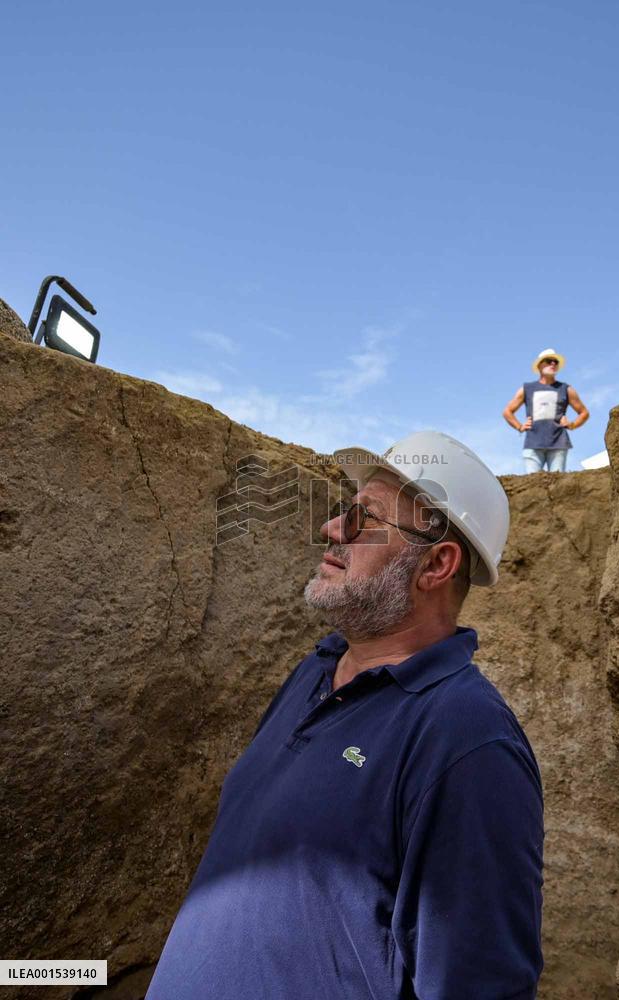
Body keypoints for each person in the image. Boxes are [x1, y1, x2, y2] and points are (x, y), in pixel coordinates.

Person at [146, 431, 544, 1000]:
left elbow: (482, 985)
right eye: (342, 512)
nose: (333, 529)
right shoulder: (317, 669)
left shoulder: (469, 742)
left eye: (364, 519)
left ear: (436, 564)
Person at [503, 348, 590, 473]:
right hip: (533, 444)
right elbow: (507, 411)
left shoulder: (566, 389)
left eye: (555, 362)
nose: (553, 364)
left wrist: (572, 424)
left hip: (558, 444)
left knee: (557, 485)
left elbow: (584, 412)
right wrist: (519, 426)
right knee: (533, 484)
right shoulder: (527, 388)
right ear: (539, 365)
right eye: (549, 361)